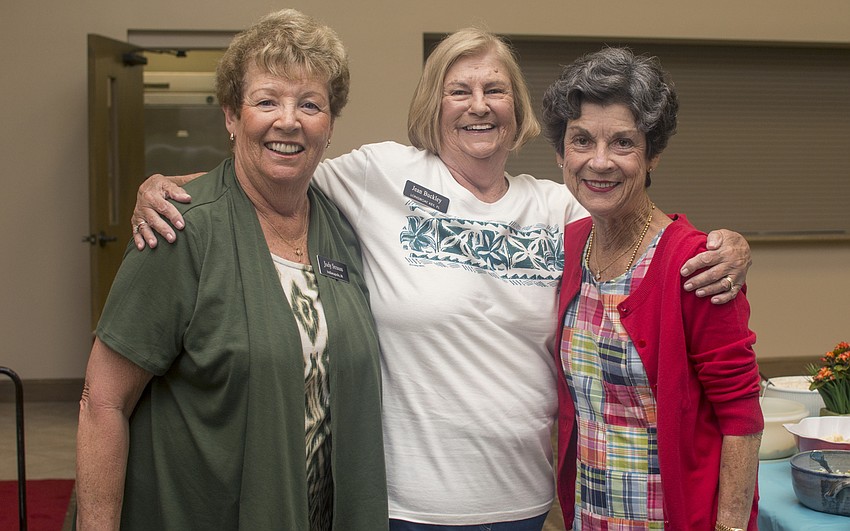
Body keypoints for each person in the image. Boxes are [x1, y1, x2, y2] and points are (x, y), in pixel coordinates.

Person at [131, 29, 752, 529]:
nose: (479, 104)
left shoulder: (559, 207)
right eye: (460, 89)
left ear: (519, 110)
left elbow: (642, 233)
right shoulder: (379, 173)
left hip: (528, 499)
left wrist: (731, 245)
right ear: (434, 102)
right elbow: (269, 169)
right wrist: (164, 188)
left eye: (495, 90)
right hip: (406, 502)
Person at [75, 9, 387, 530]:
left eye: (309, 104)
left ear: (330, 126)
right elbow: (101, 402)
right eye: (266, 101)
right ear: (230, 115)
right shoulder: (180, 229)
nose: (288, 120)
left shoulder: (344, 226)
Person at [541, 47, 762, 530]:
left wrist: (729, 527)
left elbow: (741, 416)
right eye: (581, 141)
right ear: (561, 153)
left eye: (623, 143)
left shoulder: (695, 263)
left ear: (653, 153)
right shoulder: (569, 245)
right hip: (589, 519)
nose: (599, 162)